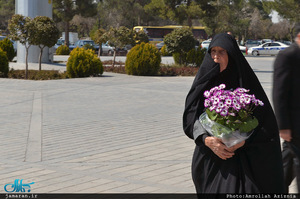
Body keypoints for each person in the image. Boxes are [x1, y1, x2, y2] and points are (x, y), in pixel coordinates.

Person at [183, 33, 285, 193]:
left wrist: (243, 140)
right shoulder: (203, 84)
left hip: (242, 160)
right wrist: (207, 140)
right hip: (211, 157)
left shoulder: (245, 83)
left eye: (222, 52)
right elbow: (190, 119)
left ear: (231, 54)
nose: (216, 57)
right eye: (213, 51)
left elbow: (266, 124)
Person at [273, 24, 300, 192]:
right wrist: (283, 126)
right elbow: (279, 93)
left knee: (288, 163)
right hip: (293, 124)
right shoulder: (287, 56)